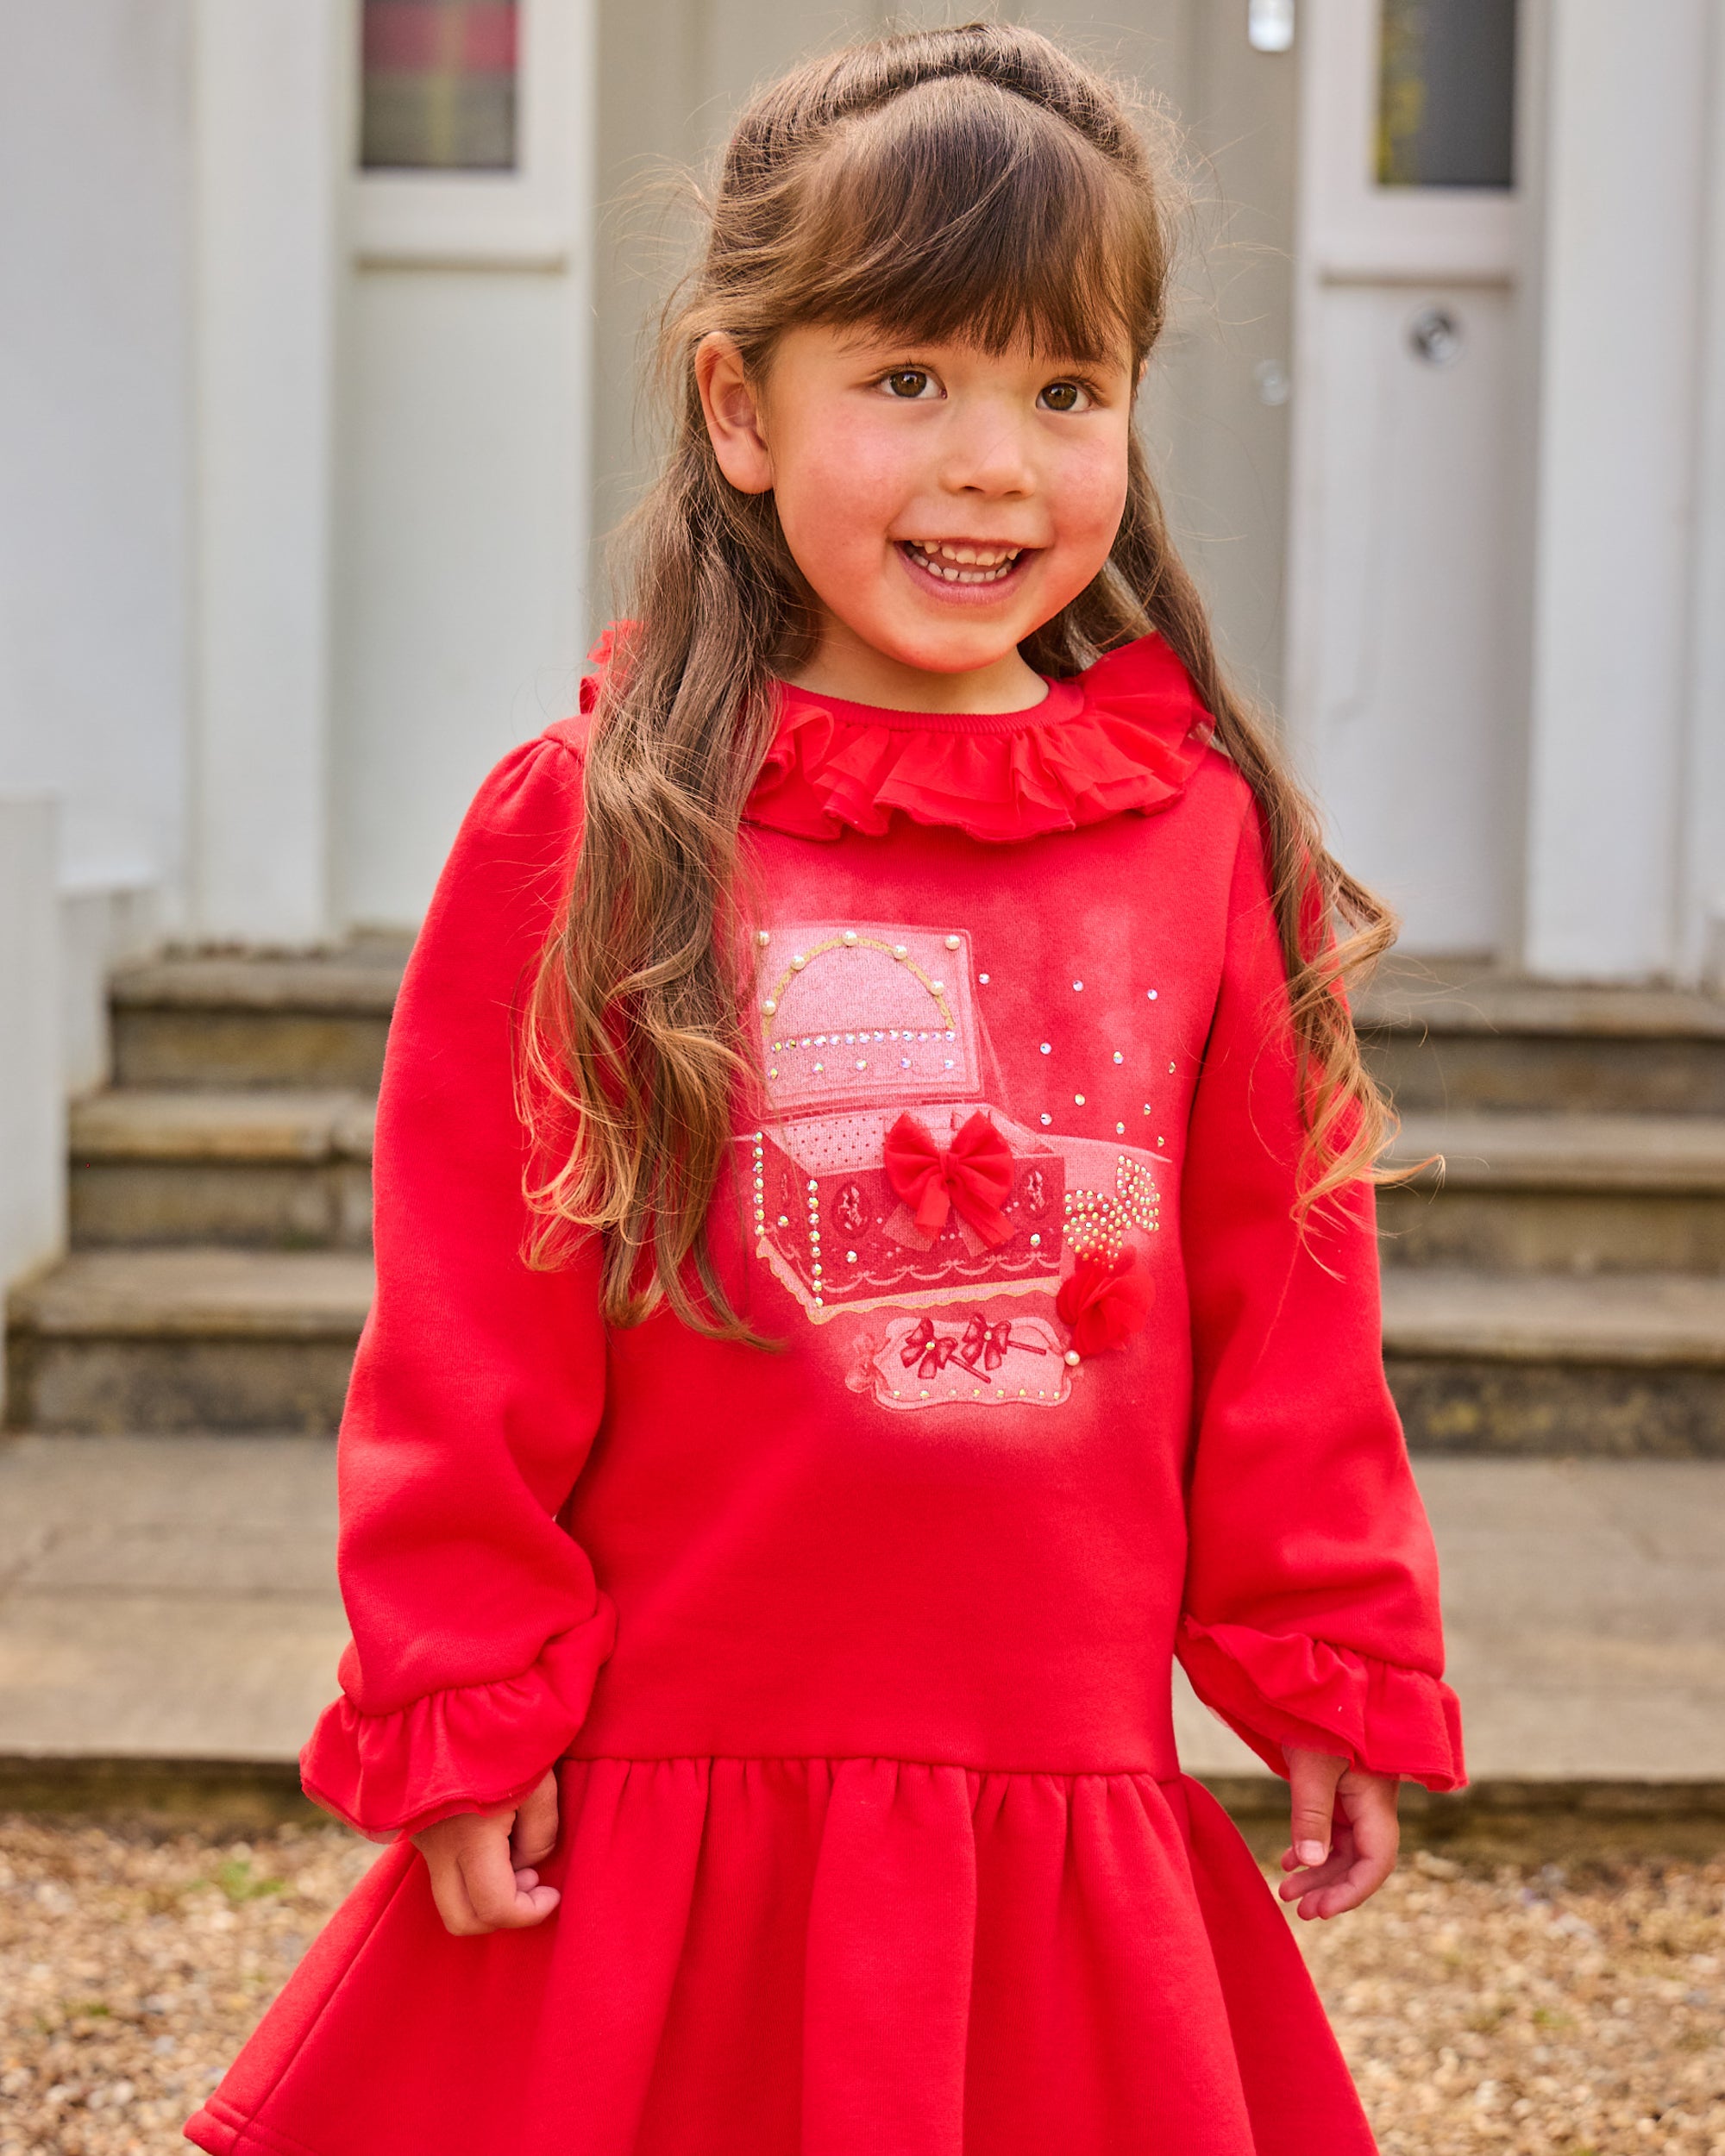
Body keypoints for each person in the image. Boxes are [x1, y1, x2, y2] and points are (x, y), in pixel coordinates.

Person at [186, 24, 1463, 2156]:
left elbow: (1287, 1294)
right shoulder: (593, 830)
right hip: (668, 1804)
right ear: (736, 403)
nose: (994, 463)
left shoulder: (1186, 838)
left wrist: (1323, 1639)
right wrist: (468, 1683)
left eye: (1065, 392)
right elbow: (468, 1316)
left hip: (1059, 1786)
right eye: (908, 380)